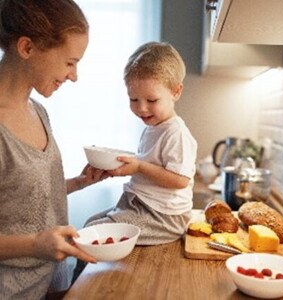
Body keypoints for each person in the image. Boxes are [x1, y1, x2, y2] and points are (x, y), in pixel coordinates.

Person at [0, 0, 109, 299]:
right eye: (70, 62)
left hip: (48, 283)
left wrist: (78, 183)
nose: (74, 76)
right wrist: (35, 245)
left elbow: (20, 199)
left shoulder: (39, 111)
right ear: (26, 48)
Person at [72, 41, 197, 282]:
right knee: (89, 224)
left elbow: (181, 180)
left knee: (89, 236)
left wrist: (138, 166)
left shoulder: (176, 133)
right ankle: (76, 286)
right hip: (142, 206)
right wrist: (125, 164)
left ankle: (76, 290)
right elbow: (151, 164)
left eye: (151, 100)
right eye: (133, 99)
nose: (141, 108)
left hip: (163, 218)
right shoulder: (155, 127)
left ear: (176, 92)